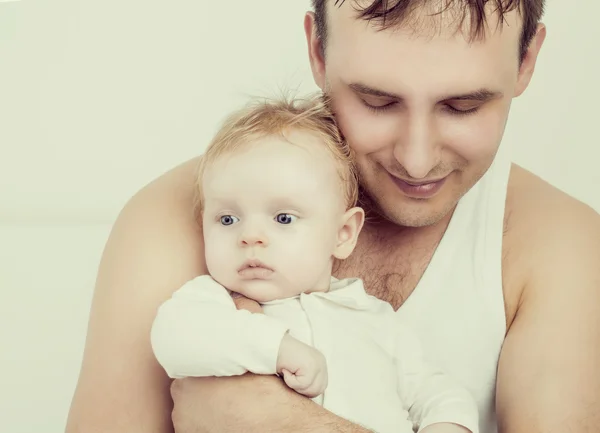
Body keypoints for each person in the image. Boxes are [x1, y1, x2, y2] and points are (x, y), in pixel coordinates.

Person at [65, 1, 600, 433]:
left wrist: (280, 422)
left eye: (462, 107)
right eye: (376, 100)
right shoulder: (178, 217)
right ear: (318, 51)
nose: (416, 159)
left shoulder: (563, 248)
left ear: (527, 60)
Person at [149, 96, 480, 433]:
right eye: (228, 218)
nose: (249, 236)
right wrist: (276, 348)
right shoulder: (211, 303)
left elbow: (433, 390)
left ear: (343, 233)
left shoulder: (373, 318)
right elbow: (172, 339)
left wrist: (448, 422)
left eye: (283, 217)